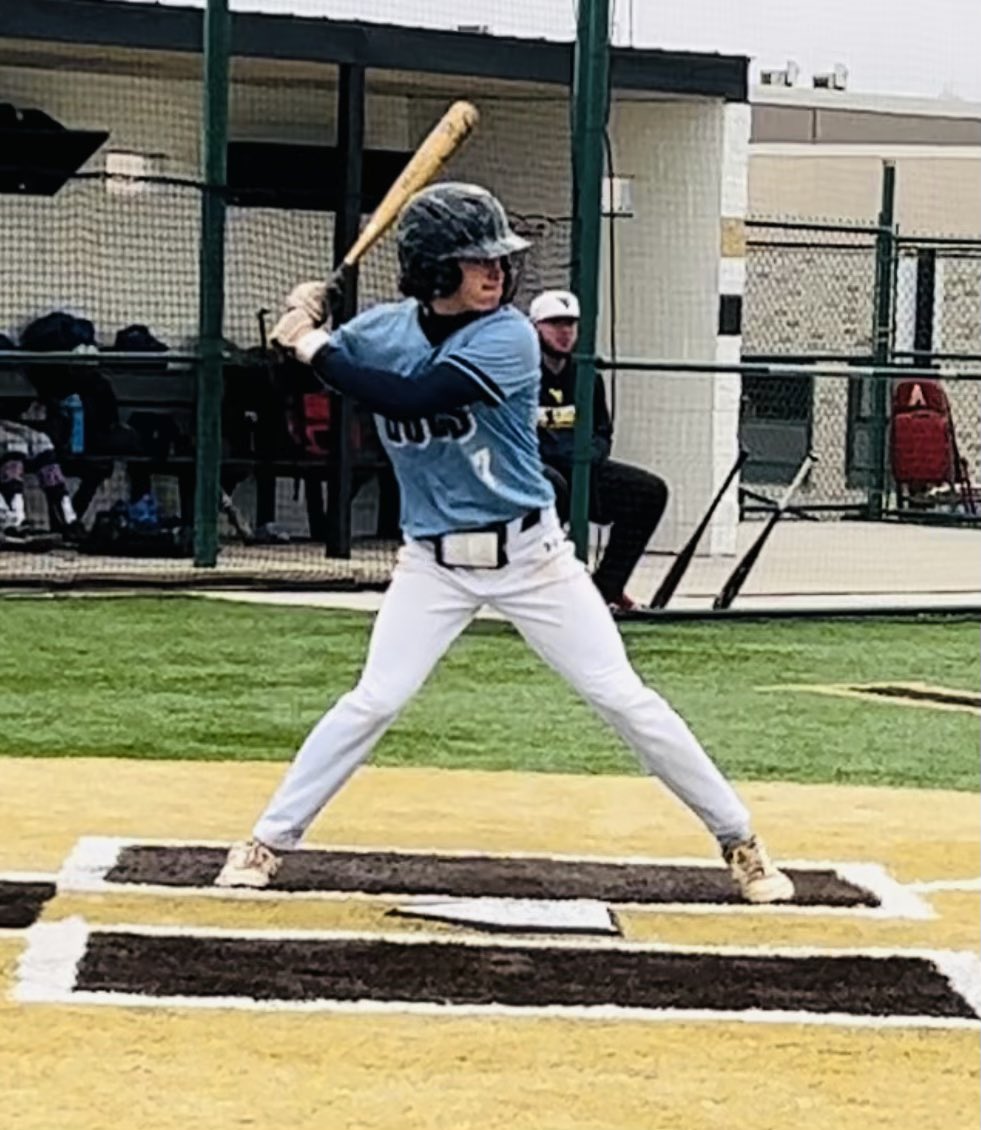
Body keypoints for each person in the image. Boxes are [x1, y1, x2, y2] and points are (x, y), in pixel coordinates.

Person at [215, 182, 793, 905]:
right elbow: (294, 378)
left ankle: (739, 840)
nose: (496, 273)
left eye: (498, 260)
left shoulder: (509, 336)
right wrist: (296, 326)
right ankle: (267, 841)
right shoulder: (378, 333)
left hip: (532, 557)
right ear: (431, 269)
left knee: (620, 696)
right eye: (475, 260)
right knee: (374, 699)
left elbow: (409, 398)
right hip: (431, 561)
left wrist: (314, 343)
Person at [530, 290, 668, 612]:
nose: (564, 332)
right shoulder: (522, 373)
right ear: (535, 327)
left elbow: (602, 432)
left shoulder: (587, 375)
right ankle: (542, 593)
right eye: (554, 324)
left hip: (583, 470)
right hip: (541, 474)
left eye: (570, 324)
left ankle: (606, 588)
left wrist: (590, 456)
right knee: (553, 489)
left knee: (649, 491)